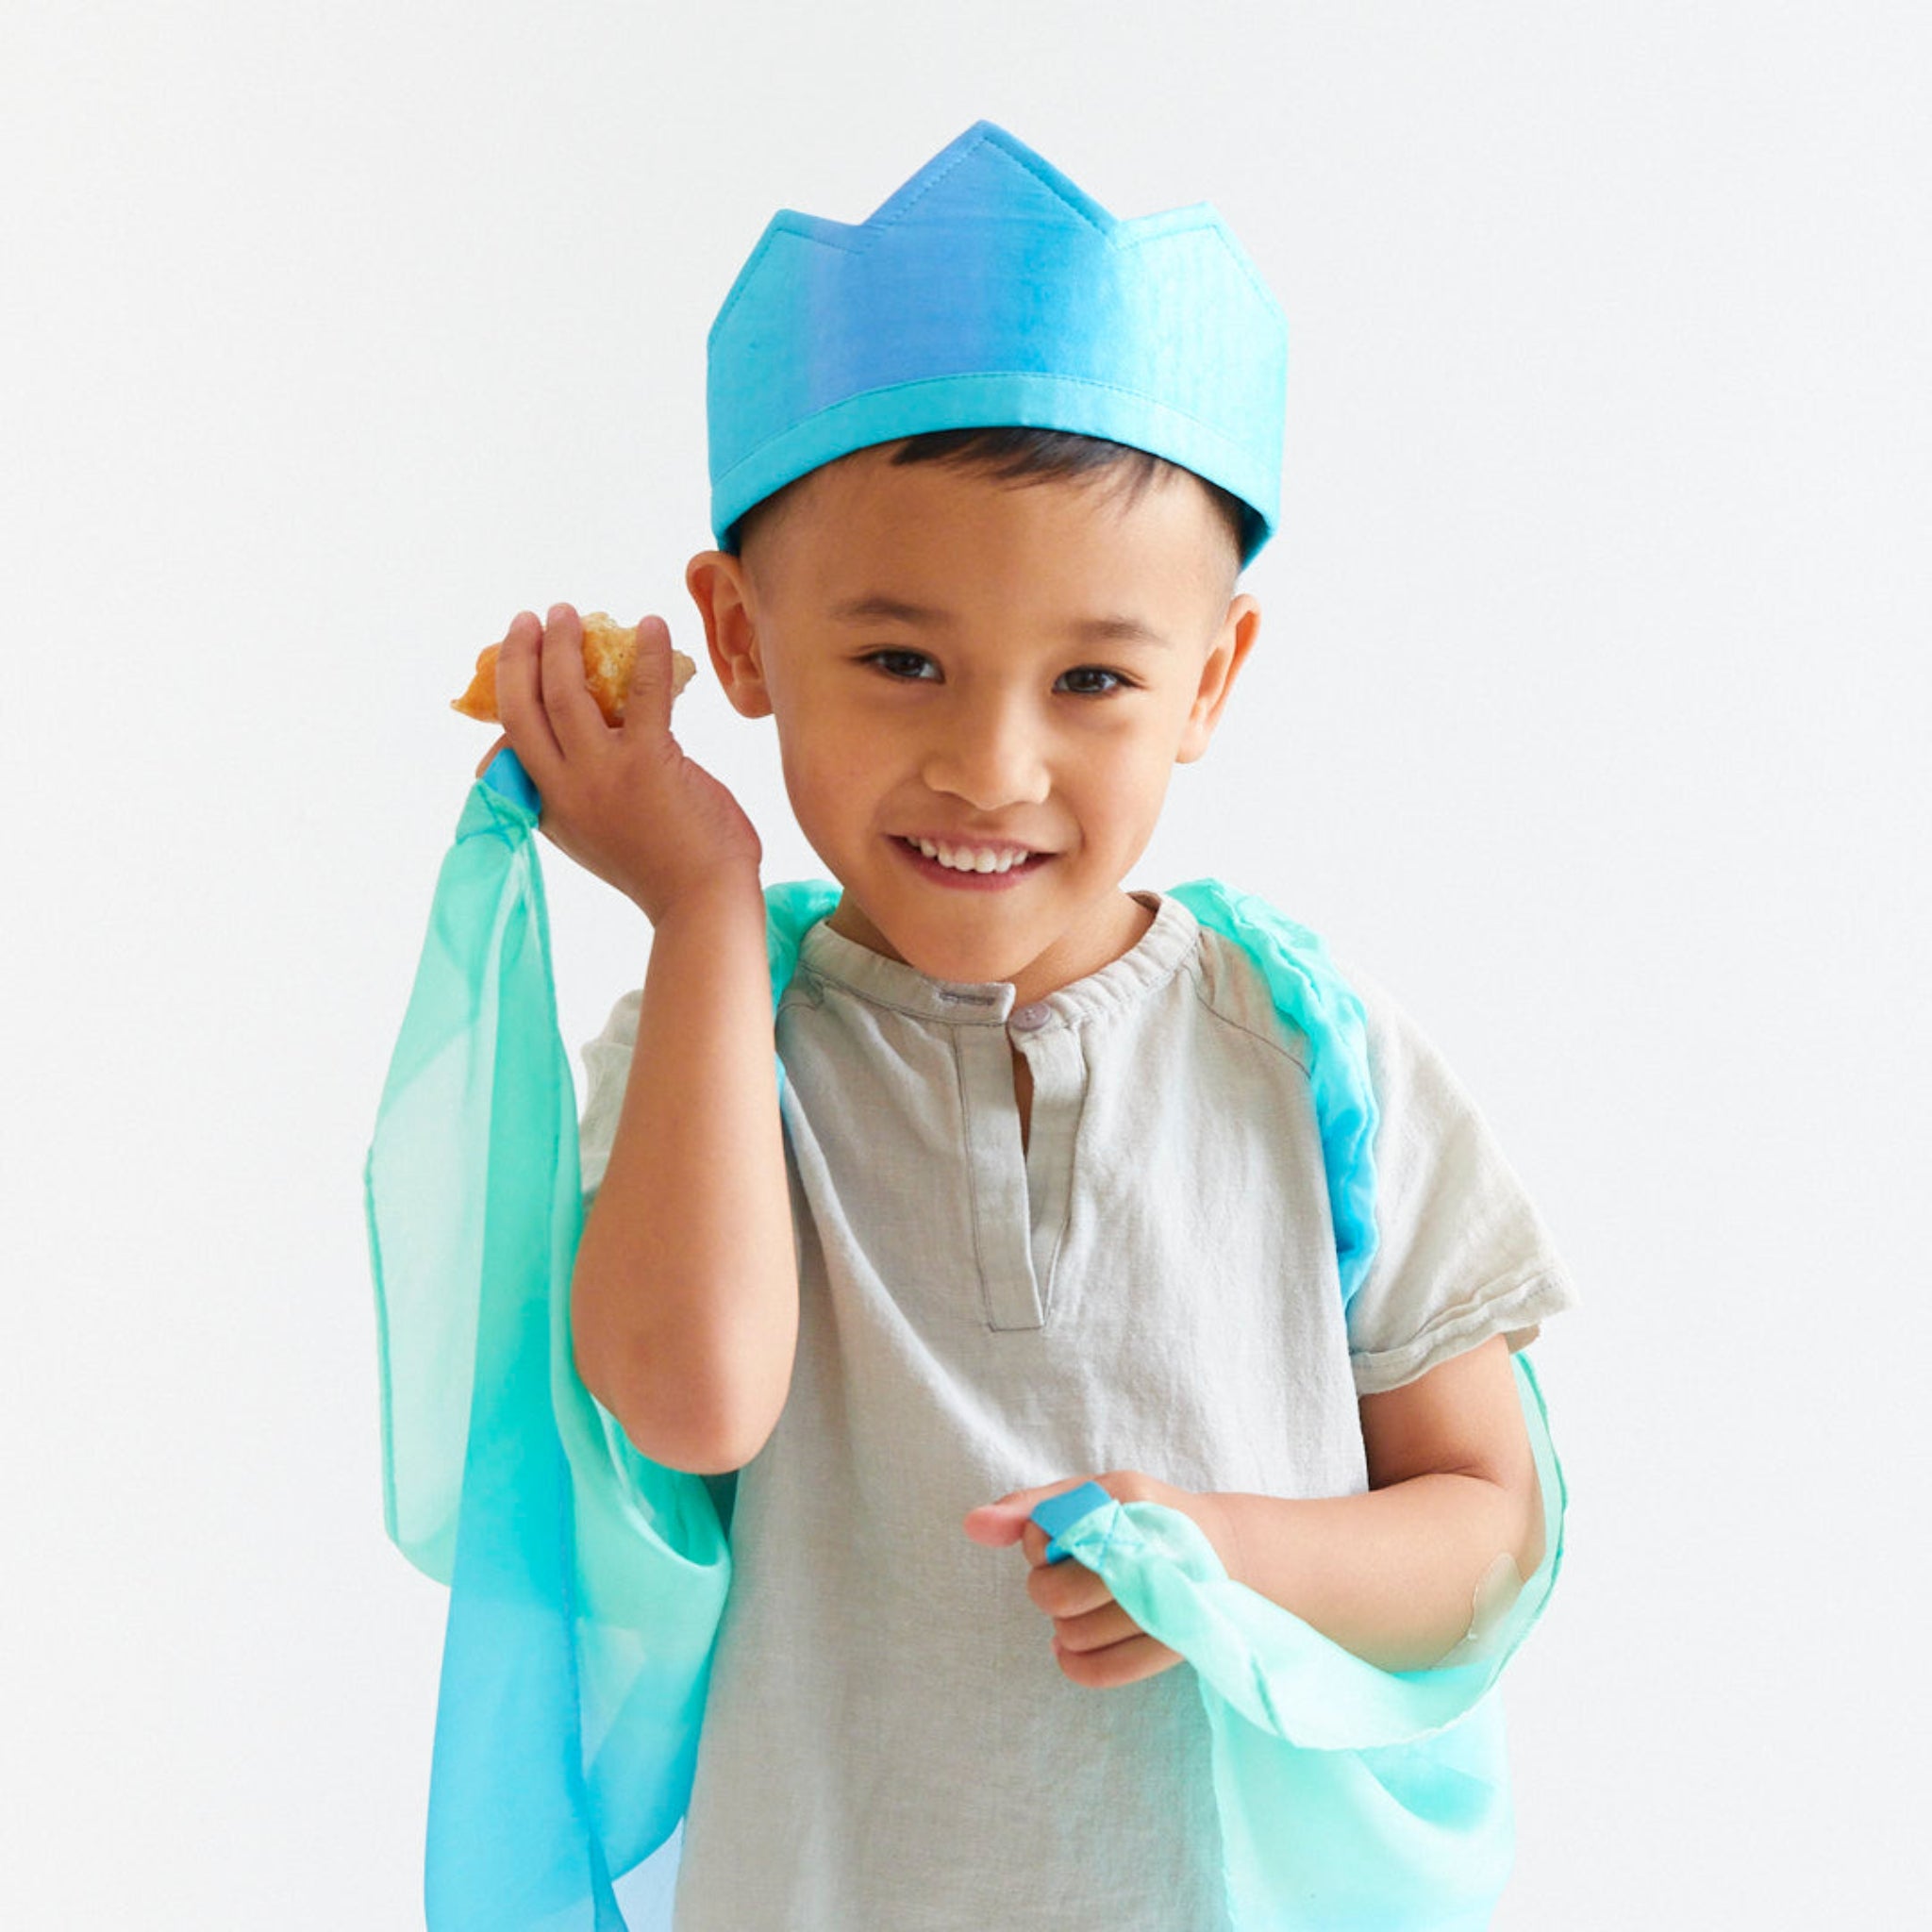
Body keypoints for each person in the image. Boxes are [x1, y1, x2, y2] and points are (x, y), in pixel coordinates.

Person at [473, 121, 1578, 1930]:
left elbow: (1490, 1530)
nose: (993, 763)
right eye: (901, 659)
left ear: (1209, 677)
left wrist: (1238, 1555)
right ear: (741, 641)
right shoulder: (722, 1042)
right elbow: (686, 1400)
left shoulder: (1308, 1055)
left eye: (1093, 679)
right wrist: (696, 907)